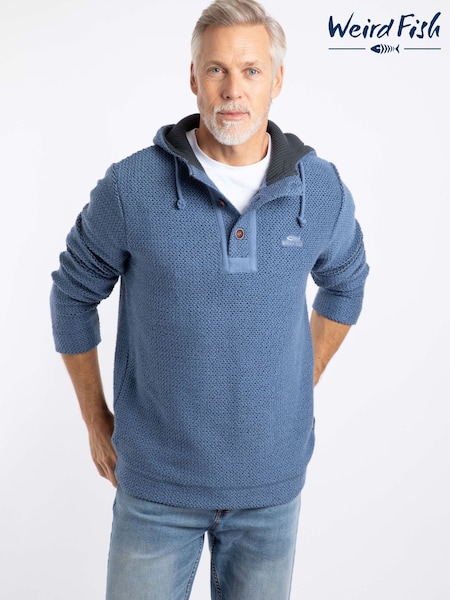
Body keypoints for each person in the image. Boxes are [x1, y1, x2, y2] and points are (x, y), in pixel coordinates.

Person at [50, 0, 369, 598]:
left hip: (271, 490)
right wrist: (95, 420)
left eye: (251, 70)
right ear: (193, 78)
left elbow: (347, 281)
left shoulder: (319, 189)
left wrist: (300, 378)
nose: (232, 89)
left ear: (277, 80)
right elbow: (72, 293)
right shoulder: (131, 187)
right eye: (216, 69)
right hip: (155, 488)